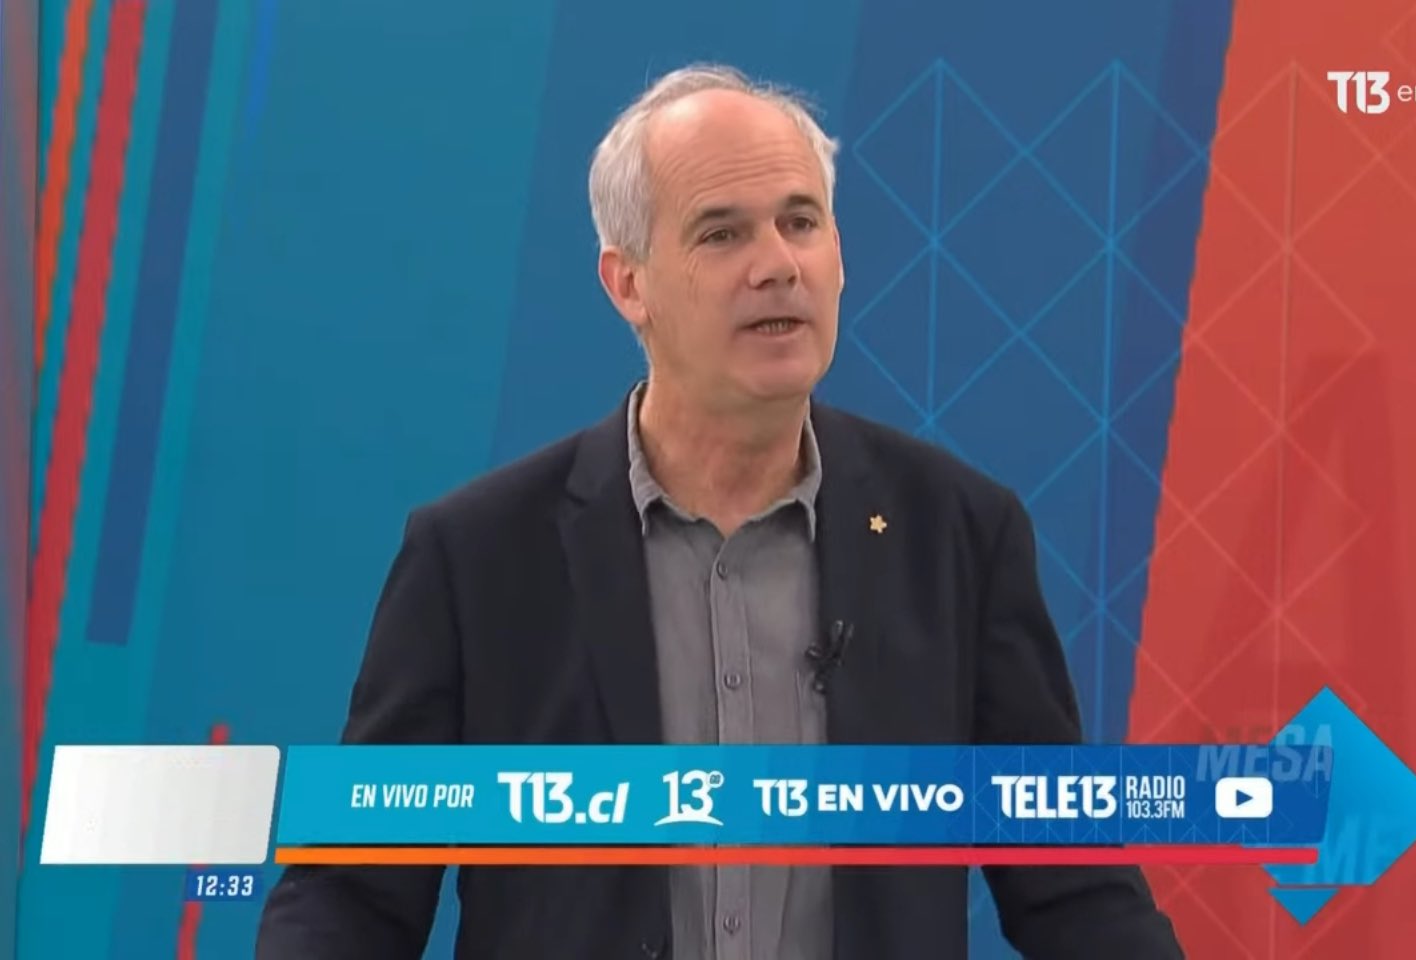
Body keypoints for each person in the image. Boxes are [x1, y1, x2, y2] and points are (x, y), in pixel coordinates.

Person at [256, 63, 1184, 960]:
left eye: (800, 222)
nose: (776, 266)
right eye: (721, 233)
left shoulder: (957, 534)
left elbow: (1071, 881)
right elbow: (350, 892)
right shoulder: (477, 557)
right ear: (628, 284)